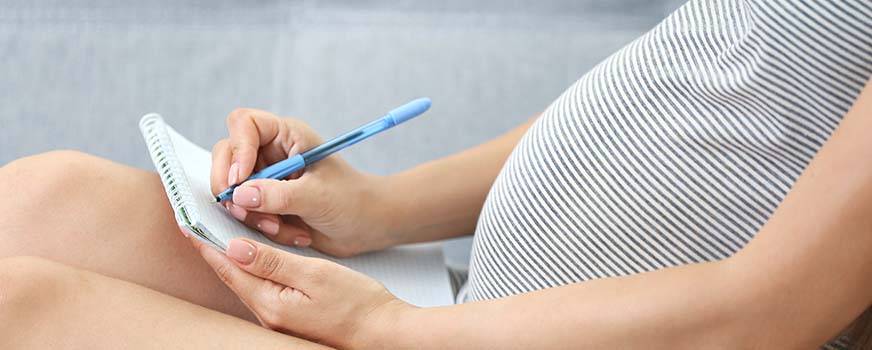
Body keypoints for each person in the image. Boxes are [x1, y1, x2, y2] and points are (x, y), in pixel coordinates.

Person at [1, 0, 870, 348]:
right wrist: (381, 209)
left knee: (24, 311)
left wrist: (385, 330)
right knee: (44, 201)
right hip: (471, 310)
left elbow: (762, 312)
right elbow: (702, 94)